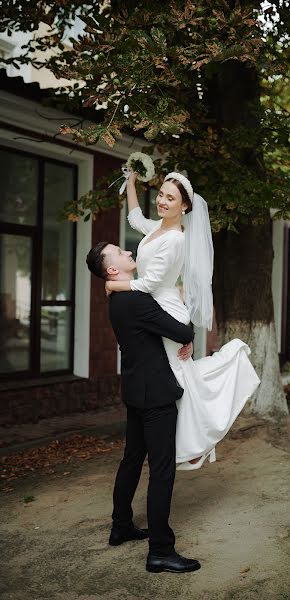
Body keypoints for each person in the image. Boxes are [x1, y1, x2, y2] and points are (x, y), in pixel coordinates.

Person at [105, 169, 261, 469]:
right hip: (155, 306)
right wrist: (133, 185)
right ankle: (178, 442)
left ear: (185, 206)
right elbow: (135, 218)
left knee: (174, 377)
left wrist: (114, 284)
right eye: (161, 194)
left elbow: (149, 284)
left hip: (163, 306)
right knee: (172, 376)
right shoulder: (156, 230)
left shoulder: (176, 239)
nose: (162, 201)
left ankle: (191, 441)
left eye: (170, 198)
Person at [86, 243, 201, 573]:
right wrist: (187, 334)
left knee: (133, 458)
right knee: (162, 470)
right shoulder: (135, 300)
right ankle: (161, 551)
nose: (127, 252)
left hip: (136, 390)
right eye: (119, 252)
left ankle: (121, 526)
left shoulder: (116, 298)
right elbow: (181, 330)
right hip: (156, 395)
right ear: (112, 270)